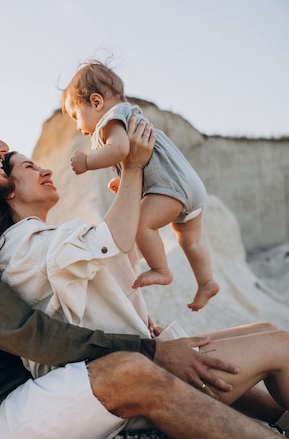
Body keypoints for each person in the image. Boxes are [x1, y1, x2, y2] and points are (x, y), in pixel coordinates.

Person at [0, 103, 289, 439]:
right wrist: (149, 349)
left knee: (250, 347)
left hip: (30, 393)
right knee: (130, 369)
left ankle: (276, 417)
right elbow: (28, 331)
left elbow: (58, 303)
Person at [0, 150, 289, 430]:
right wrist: (133, 169)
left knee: (266, 329)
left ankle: (282, 419)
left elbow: (117, 263)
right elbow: (112, 239)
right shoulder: (22, 246)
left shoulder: (44, 241)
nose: (45, 169)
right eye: (29, 167)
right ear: (8, 188)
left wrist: (132, 197)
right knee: (280, 345)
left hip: (136, 358)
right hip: (126, 381)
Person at [61, 60, 219, 311]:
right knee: (191, 241)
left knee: (140, 223)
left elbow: (121, 149)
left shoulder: (110, 121)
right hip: (190, 185)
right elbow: (145, 161)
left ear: (96, 102)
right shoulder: (131, 114)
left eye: (76, 117)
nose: (79, 127)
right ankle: (206, 282)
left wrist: (87, 162)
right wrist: (124, 180)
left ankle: (161, 269)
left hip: (170, 189)